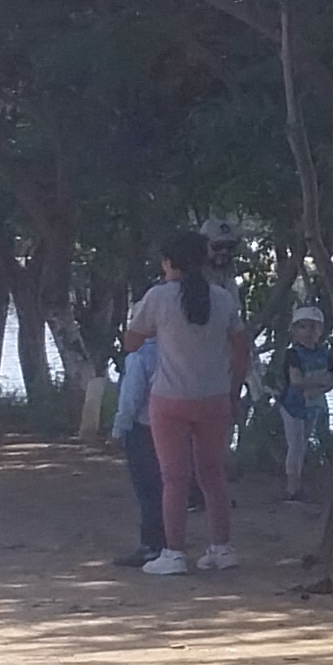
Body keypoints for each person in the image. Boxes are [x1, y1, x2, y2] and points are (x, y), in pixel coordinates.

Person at [118, 229, 248, 574]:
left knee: (173, 478)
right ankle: (221, 547)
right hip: (214, 398)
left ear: (168, 262)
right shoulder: (222, 298)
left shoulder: (158, 298)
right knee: (213, 475)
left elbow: (131, 343)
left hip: (170, 399)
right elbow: (241, 346)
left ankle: (173, 553)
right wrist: (234, 390)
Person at [112, 330, 167, 567]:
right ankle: (169, 541)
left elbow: (131, 398)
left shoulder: (139, 356)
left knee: (147, 488)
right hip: (172, 425)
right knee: (167, 485)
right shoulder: (172, 352)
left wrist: (119, 428)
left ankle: (151, 544)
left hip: (142, 427)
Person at [275, 303, 333, 503]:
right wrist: (320, 384)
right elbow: (296, 381)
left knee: (301, 445)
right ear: (294, 330)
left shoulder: (326, 354)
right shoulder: (293, 353)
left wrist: (317, 389)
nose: (309, 332)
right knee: (296, 445)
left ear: (321, 330)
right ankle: (292, 488)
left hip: (312, 405)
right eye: (303, 327)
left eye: (314, 327)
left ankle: (297, 484)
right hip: (293, 406)